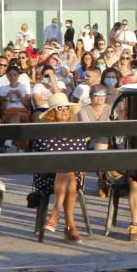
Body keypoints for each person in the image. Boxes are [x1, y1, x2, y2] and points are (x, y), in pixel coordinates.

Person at [32, 93, 87, 243]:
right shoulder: (44, 133)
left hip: (73, 177)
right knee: (65, 169)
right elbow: (44, 159)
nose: (64, 110)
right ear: (51, 113)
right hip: (47, 176)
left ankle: (55, 214)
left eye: (66, 107)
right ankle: (71, 226)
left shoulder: (77, 131)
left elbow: (82, 157)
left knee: (68, 172)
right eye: (59, 108)